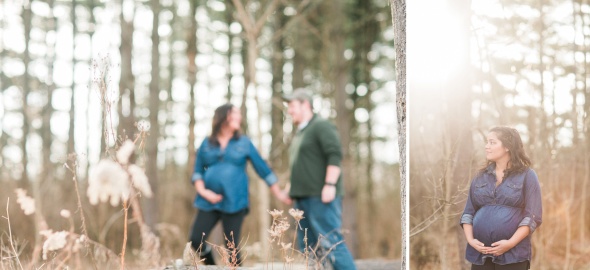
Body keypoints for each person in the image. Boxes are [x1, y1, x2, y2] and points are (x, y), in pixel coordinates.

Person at [189, 103, 291, 265]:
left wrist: (279, 193)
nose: (239, 117)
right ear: (223, 117)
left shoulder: (244, 143)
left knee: (232, 246)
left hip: (235, 201)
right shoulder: (206, 144)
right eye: (234, 113)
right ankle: (212, 268)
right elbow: (197, 172)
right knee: (195, 240)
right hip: (208, 201)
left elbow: (262, 169)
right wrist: (204, 192)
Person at [283, 88, 357, 270]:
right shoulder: (301, 132)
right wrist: (290, 187)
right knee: (309, 250)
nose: (289, 110)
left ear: (305, 105)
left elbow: (334, 155)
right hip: (302, 200)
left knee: (331, 243)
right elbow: (303, 164)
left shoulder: (321, 126)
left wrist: (330, 184)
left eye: (292, 106)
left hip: (320, 197)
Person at [460, 126, 542, 270]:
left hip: (514, 255)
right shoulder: (480, 177)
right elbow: (468, 213)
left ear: (507, 147)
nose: (487, 146)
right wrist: (471, 241)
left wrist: (510, 243)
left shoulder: (527, 175)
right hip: (481, 255)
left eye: (492, 142)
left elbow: (533, 217)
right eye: (487, 142)